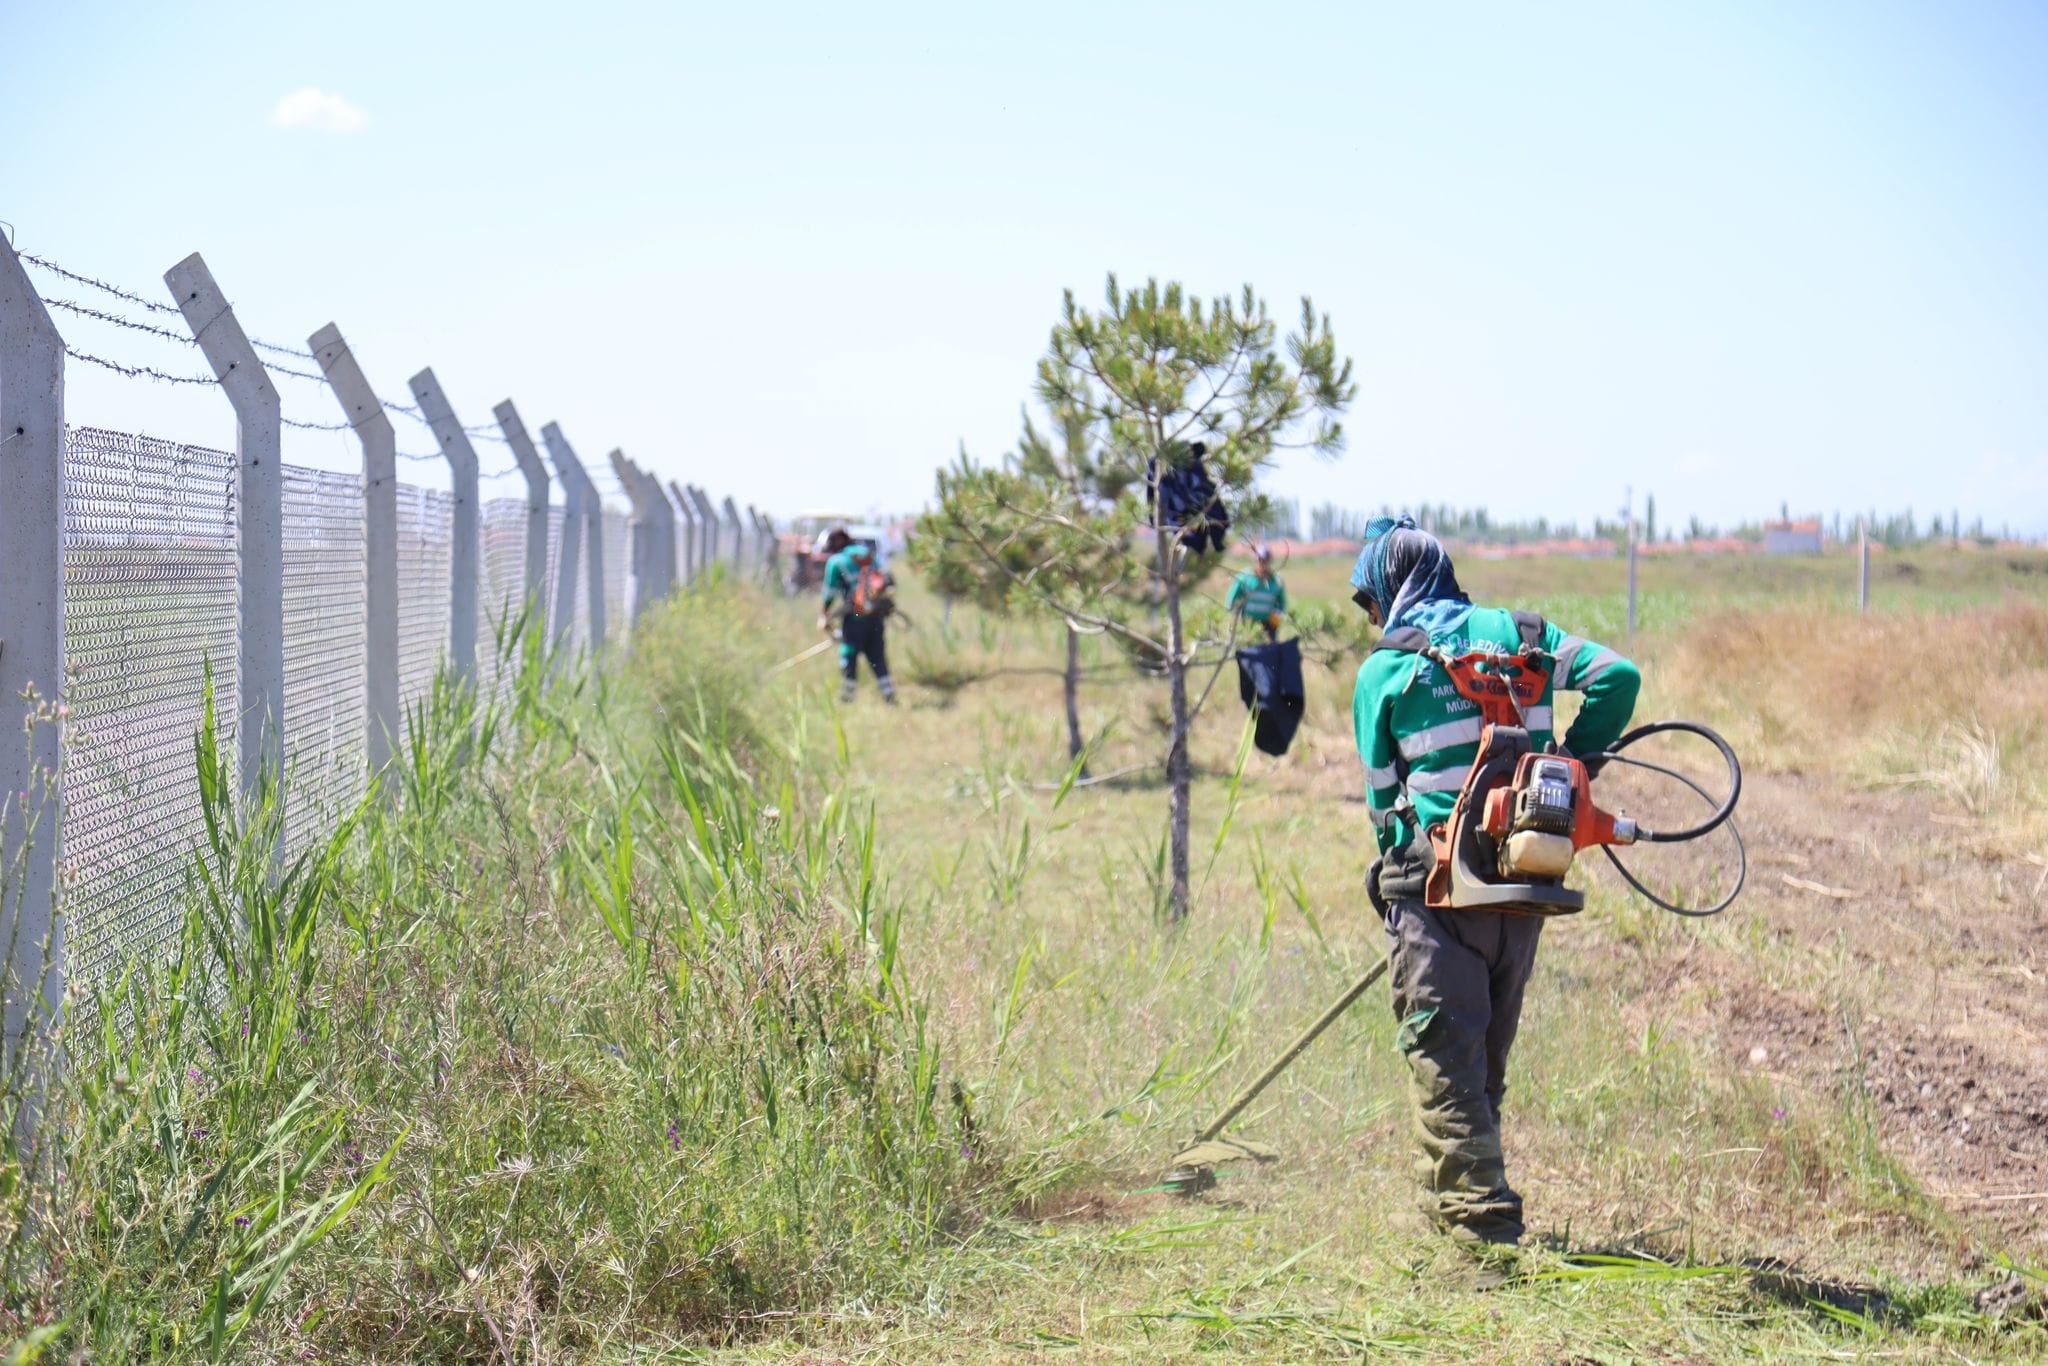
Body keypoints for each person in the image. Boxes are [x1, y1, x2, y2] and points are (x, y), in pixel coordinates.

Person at [1349, 516, 1639, 1253]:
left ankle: (1484, 1240)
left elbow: (1385, 803)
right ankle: (1452, 1213)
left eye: (1370, 602)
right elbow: (1617, 677)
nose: (1373, 618)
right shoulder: (1524, 635)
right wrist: (1571, 771)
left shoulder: (1383, 673)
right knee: (1479, 1070)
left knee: (1447, 1061)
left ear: (1387, 590)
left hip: (1439, 894)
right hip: (1524, 881)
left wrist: (1391, 873)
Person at [819, 539, 897, 704]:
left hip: (855, 617)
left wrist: (824, 615)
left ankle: (847, 698)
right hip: (876, 615)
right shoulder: (868, 556)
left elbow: (829, 593)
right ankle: (889, 695)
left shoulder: (837, 561)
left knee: (849, 653)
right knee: (877, 655)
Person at [1226, 543, 1288, 641]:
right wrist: (1233, 615)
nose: (1262, 562)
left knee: (1269, 653)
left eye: (1265, 559)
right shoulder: (1244, 576)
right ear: (1255, 560)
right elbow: (1232, 598)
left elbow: (1282, 602)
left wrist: (1277, 615)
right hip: (1248, 623)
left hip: (1269, 625)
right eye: (1260, 559)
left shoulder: (1277, 580)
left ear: (1270, 560)